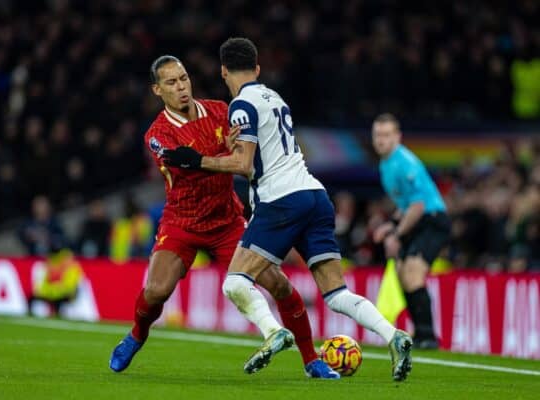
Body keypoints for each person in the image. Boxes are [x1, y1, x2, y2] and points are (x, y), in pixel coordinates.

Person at [163, 38, 412, 381]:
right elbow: (263, 151)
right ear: (258, 69)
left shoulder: (241, 104)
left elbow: (245, 163)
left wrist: (198, 160)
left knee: (235, 283)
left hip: (281, 200)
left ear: (223, 71)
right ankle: (394, 335)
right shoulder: (274, 98)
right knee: (337, 294)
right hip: (315, 195)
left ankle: (274, 332)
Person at [109, 55, 339, 379]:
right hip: (182, 221)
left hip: (227, 220)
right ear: (157, 90)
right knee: (157, 291)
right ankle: (137, 334)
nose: (182, 87)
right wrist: (224, 155)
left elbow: (239, 157)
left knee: (280, 284)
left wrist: (219, 156)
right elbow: (183, 165)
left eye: (184, 78)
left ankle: (311, 359)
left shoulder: (221, 109)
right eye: (172, 83)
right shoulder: (157, 134)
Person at [371, 113, 451, 349]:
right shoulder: (386, 164)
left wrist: (396, 235)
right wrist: (391, 225)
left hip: (432, 221)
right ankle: (420, 334)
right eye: (377, 135)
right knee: (402, 272)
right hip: (417, 220)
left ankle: (427, 336)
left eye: (386, 135)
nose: (381, 140)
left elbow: (418, 206)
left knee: (413, 272)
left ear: (398, 137)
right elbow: (406, 206)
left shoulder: (405, 162)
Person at [28, 248, 83, 317]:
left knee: (58, 300)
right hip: (52, 293)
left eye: (68, 258)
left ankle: (57, 315)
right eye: (65, 258)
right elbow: (46, 282)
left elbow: (69, 286)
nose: (66, 260)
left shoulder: (74, 269)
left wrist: (56, 291)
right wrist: (46, 292)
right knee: (32, 297)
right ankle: (29, 313)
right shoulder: (55, 267)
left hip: (65, 294)